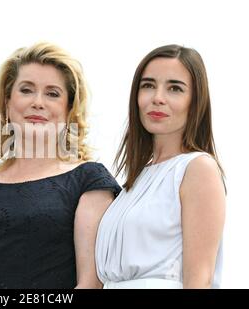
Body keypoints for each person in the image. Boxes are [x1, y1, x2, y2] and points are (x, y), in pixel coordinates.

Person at [0, 42, 121, 289]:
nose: (38, 102)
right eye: (27, 90)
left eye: (52, 93)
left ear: (69, 109)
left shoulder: (88, 180)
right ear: (7, 101)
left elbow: (91, 284)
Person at [95, 44, 226, 289]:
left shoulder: (198, 169)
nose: (158, 98)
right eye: (148, 85)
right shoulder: (134, 182)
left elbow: (200, 279)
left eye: (175, 88)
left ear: (195, 101)